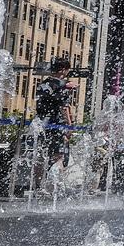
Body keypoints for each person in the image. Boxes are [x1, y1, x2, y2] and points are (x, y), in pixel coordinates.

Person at [33, 57, 76, 190]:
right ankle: (56, 187)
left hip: (42, 124)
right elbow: (64, 107)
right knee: (59, 156)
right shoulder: (62, 86)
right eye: (68, 70)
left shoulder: (43, 84)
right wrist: (69, 126)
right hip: (57, 125)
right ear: (63, 70)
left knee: (41, 155)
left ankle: (38, 187)